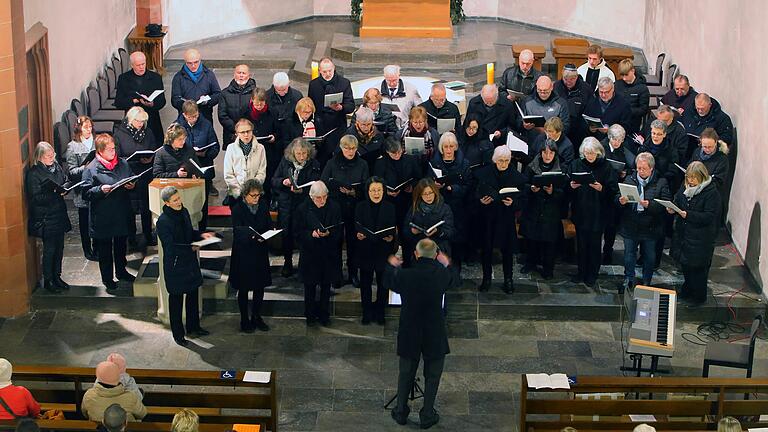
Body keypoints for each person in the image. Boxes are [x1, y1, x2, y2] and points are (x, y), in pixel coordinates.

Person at [385, 238, 455, 429]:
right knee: (433, 375)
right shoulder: (441, 274)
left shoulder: (406, 275)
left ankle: (400, 411)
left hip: (410, 329)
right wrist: (446, 262)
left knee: (406, 372)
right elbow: (454, 279)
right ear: (435, 255)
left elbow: (388, 281)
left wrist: (392, 265)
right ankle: (427, 414)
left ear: (416, 254)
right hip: (434, 330)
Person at [155, 186, 215, 346]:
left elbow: (189, 233)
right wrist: (191, 247)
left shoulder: (184, 211)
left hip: (189, 262)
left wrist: (201, 235)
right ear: (167, 203)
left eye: (179, 198)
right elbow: (170, 246)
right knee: (176, 301)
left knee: (193, 295)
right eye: (175, 200)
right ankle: (178, 334)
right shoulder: (163, 222)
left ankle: (193, 327)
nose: (179, 202)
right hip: (175, 266)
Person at [82, 134, 136, 291]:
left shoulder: (122, 163)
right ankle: (107, 278)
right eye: (110, 149)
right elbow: (85, 193)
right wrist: (100, 189)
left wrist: (132, 184)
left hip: (121, 212)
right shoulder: (91, 169)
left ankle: (121, 271)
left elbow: (132, 176)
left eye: (114, 148)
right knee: (105, 250)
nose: (114, 152)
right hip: (103, 216)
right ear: (100, 151)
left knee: (120, 246)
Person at [474, 146, 527, 292]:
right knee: (486, 249)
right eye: (500, 161)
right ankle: (486, 279)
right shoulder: (483, 174)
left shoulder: (516, 177)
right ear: (495, 160)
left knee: (507, 251)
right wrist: (481, 201)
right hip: (488, 217)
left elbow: (523, 200)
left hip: (505, 218)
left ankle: (508, 280)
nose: (503, 164)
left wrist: (513, 203)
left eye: (506, 161)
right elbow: (475, 194)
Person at [617, 152, 671, 292]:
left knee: (649, 255)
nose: (640, 171)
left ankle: (647, 281)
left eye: (643, 168)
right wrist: (621, 201)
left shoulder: (661, 182)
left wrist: (650, 205)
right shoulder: (630, 179)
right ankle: (628, 278)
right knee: (629, 254)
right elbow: (617, 196)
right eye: (638, 168)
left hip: (650, 225)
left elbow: (665, 203)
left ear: (651, 169)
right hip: (631, 223)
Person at [321, 135, 370, 287]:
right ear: (341, 148)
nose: (350, 151)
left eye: (353, 148)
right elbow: (323, 183)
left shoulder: (362, 164)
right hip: (336, 207)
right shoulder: (332, 163)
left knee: (353, 242)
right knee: (335, 241)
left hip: (355, 207)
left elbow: (366, 186)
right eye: (347, 148)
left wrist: (354, 192)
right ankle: (336, 274)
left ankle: (353, 273)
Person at [669, 161, 721, 306]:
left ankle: (698, 297)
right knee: (686, 266)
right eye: (688, 177)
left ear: (702, 176)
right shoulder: (685, 187)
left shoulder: (711, 193)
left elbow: (710, 216)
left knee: (697, 270)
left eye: (693, 178)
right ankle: (687, 290)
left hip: (700, 239)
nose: (690, 181)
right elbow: (678, 199)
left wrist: (688, 215)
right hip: (684, 235)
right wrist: (673, 207)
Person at [568, 137, 618, 287]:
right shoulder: (576, 164)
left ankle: (592, 274)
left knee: (595, 245)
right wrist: (571, 186)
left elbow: (613, 191)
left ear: (598, 153)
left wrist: (602, 189)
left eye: (592, 153)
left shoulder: (607, 167)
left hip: (598, 212)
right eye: (586, 153)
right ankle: (581, 272)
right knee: (581, 244)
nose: (589, 156)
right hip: (581, 211)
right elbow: (567, 186)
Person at [25, 141, 72, 293]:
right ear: (39, 157)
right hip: (46, 217)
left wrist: (65, 188)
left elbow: (65, 180)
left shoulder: (56, 167)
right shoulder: (34, 173)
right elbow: (35, 197)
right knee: (50, 250)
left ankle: (57, 276)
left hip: (59, 214)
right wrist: (54, 193)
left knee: (60, 248)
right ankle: (49, 280)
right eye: (48, 156)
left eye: (53, 155)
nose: (52, 158)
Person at [294, 181, 343, 326]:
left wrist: (330, 233)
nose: (322, 201)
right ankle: (309, 315)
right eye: (318, 198)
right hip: (310, 254)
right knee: (309, 287)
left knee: (326, 287)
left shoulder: (334, 207)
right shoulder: (302, 209)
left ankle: (324, 315)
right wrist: (311, 234)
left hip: (328, 253)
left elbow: (339, 230)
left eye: (324, 197)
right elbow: (297, 233)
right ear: (311, 197)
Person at [272, 138, 322, 277]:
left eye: (304, 153)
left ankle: (303, 264)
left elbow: (317, 184)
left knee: (303, 235)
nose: (301, 157)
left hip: (304, 203)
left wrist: (303, 191)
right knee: (286, 234)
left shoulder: (314, 164)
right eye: (298, 154)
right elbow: (274, 181)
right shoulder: (285, 162)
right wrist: (284, 181)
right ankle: (287, 263)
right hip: (287, 204)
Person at [230, 179, 272, 333]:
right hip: (244, 254)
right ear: (245, 195)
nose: (256, 198)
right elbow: (237, 232)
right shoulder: (238, 209)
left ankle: (256, 316)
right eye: (253, 196)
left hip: (259, 252)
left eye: (258, 195)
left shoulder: (263, 206)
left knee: (259, 287)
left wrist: (267, 234)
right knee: (244, 288)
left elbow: (268, 225)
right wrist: (253, 237)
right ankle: (244, 319)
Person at [355, 176, 397, 325]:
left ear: (384, 191)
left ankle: (380, 311)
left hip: (382, 251)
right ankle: (366, 312)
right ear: (368, 191)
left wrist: (391, 238)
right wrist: (358, 235)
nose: (376, 193)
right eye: (373, 190)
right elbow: (357, 227)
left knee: (383, 284)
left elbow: (392, 228)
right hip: (365, 250)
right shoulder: (360, 206)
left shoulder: (390, 207)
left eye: (379, 190)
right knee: (365, 284)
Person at [114, 106, 158, 247]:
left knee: (146, 206)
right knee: (130, 209)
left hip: (145, 173)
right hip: (129, 172)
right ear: (131, 119)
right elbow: (118, 157)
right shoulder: (120, 134)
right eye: (138, 121)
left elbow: (154, 147)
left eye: (143, 121)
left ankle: (147, 233)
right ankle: (131, 236)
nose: (141, 124)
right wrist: (132, 159)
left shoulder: (148, 131)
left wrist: (150, 158)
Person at [521, 141, 565, 279]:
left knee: (549, 243)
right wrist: (531, 189)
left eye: (550, 153)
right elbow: (523, 185)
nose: (547, 155)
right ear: (540, 153)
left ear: (555, 154)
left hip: (551, 211)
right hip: (533, 208)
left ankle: (548, 269)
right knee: (532, 240)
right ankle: (530, 263)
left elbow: (564, 192)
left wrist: (552, 191)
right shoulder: (531, 166)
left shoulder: (561, 168)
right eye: (545, 152)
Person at [429, 132, 470, 273]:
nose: (448, 150)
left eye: (451, 146)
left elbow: (468, 186)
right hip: (439, 206)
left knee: (456, 238)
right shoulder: (434, 162)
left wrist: (453, 188)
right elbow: (427, 183)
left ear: (456, 147)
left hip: (457, 206)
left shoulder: (464, 164)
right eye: (445, 146)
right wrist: (436, 187)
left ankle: (456, 267)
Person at [307, 57, 354, 165]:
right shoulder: (313, 85)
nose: (327, 74)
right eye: (324, 72)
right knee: (322, 159)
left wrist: (341, 108)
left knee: (339, 158)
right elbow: (311, 105)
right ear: (319, 71)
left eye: (330, 71)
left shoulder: (344, 83)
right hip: (321, 128)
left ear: (334, 69)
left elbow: (351, 106)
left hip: (337, 127)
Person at [114, 51, 166, 143]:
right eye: (138, 65)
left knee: (154, 144)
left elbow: (162, 101)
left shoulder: (155, 78)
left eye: (143, 64)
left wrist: (152, 104)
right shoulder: (124, 78)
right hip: (132, 119)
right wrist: (134, 100)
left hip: (152, 118)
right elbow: (118, 102)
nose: (141, 67)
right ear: (132, 65)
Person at [602, 124, 636, 263]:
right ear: (609, 137)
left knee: (611, 225)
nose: (617, 142)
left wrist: (624, 173)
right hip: (602, 190)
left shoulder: (624, 150)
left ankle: (608, 252)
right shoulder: (601, 147)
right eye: (614, 139)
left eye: (620, 139)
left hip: (615, 192)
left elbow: (630, 167)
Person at [65, 115, 97, 261]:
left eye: (90, 127)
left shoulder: (97, 142)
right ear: (79, 129)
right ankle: (87, 248)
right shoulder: (72, 147)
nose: (89, 130)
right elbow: (71, 172)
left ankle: (97, 246)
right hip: (82, 189)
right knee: (84, 222)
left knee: (97, 219)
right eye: (86, 127)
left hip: (97, 185)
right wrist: (84, 168)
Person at [402, 179, 455, 268]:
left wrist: (438, 232)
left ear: (435, 192)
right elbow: (405, 230)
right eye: (425, 194)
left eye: (430, 193)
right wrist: (412, 232)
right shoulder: (415, 208)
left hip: (439, 248)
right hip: (419, 247)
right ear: (420, 195)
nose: (428, 196)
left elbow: (450, 232)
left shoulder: (445, 208)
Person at [373, 137, 423, 224]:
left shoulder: (411, 160)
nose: (397, 155)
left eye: (399, 152)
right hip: (388, 200)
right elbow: (376, 181)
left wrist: (412, 187)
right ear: (387, 152)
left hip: (407, 199)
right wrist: (386, 191)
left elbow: (419, 178)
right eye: (393, 153)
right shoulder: (381, 163)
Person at [178, 100, 220, 200]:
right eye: (190, 117)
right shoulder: (177, 126)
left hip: (204, 165)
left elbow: (215, 146)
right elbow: (172, 149)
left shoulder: (206, 124)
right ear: (184, 115)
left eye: (196, 116)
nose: (194, 119)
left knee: (204, 200)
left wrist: (206, 154)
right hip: (186, 168)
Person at [81, 361, 146, 422]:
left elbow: (85, 413)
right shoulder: (131, 397)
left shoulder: (88, 395)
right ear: (118, 377)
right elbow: (142, 414)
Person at [244, 88, 279, 202]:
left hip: (268, 149)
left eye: (261, 104)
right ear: (252, 101)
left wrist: (274, 136)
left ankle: (267, 200)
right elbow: (242, 127)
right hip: (251, 150)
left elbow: (278, 130)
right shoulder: (245, 112)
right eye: (256, 104)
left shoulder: (273, 112)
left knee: (267, 176)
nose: (259, 106)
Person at [223, 118, 268, 204]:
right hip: (236, 194)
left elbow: (261, 172)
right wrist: (239, 192)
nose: (246, 134)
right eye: (242, 132)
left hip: (255, 194)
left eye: (248, 131)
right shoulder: (231, 148)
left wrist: (252, 191)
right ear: (237, 134)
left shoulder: (260, 148)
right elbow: (228, 174)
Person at [171, 49, 221, 124]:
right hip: (186, 119)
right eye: (190, 63)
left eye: (196, 62)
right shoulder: (178, 77)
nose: (193, 66)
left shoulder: (209, 75)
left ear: (200, 60)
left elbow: (218, 94)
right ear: (185, 62)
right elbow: (175, 99)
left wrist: (207, 101)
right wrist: (187, 105)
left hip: (205, 117)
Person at [518, 75, 570, 143]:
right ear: (536, 87)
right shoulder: (527, 101)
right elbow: (518, 121)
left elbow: (566, 126)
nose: (542, 94)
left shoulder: (561, 103)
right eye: (540, 90)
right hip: (531, 142)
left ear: (551, 87)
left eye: (545, 91)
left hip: (553, 143)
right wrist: (523, 125)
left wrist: (549, 131)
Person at [554, 63, 593, 148]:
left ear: (577, 77)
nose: (568, 82)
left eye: (572, 79)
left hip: (579, 130)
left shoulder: (586, 89)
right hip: (560, 128)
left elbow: (590, 110)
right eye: (566, 79)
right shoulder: (555, 87)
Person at [218, 64, 256, 147]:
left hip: (250, 134)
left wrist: (246, 130)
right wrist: (237, 130)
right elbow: (222, 115)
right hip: (231, 136)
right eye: (239, 73)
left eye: (244, 73)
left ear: (249, 75)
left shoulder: (255, 93)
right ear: (234, 74)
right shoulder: (225, 93)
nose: (241, 75)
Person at [582, 77, 632, 141]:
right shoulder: (592, 101)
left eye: (606, 92)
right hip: (595, 140)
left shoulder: (623, 103)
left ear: (613, 89)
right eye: (601, 92)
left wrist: (610, 130)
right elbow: (584, 121)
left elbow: (627, 126)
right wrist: (590, 129)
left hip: (614, 141)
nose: (603, 95)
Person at [266, 71, 304, 149]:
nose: (282, 93)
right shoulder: (267, 96)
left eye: (284, 89)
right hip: (275, 135)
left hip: (291, 135)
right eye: (279, 90)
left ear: (288, 84)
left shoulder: (297, 96)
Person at [613, 58, 650, 136]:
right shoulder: (617, 84)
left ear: (633, 71)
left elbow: (644, 109)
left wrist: (627, 111)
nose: (624, 78)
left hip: (633, 124)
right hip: (617, 122)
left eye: (626, 75)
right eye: (622, 75)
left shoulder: (642, 88)